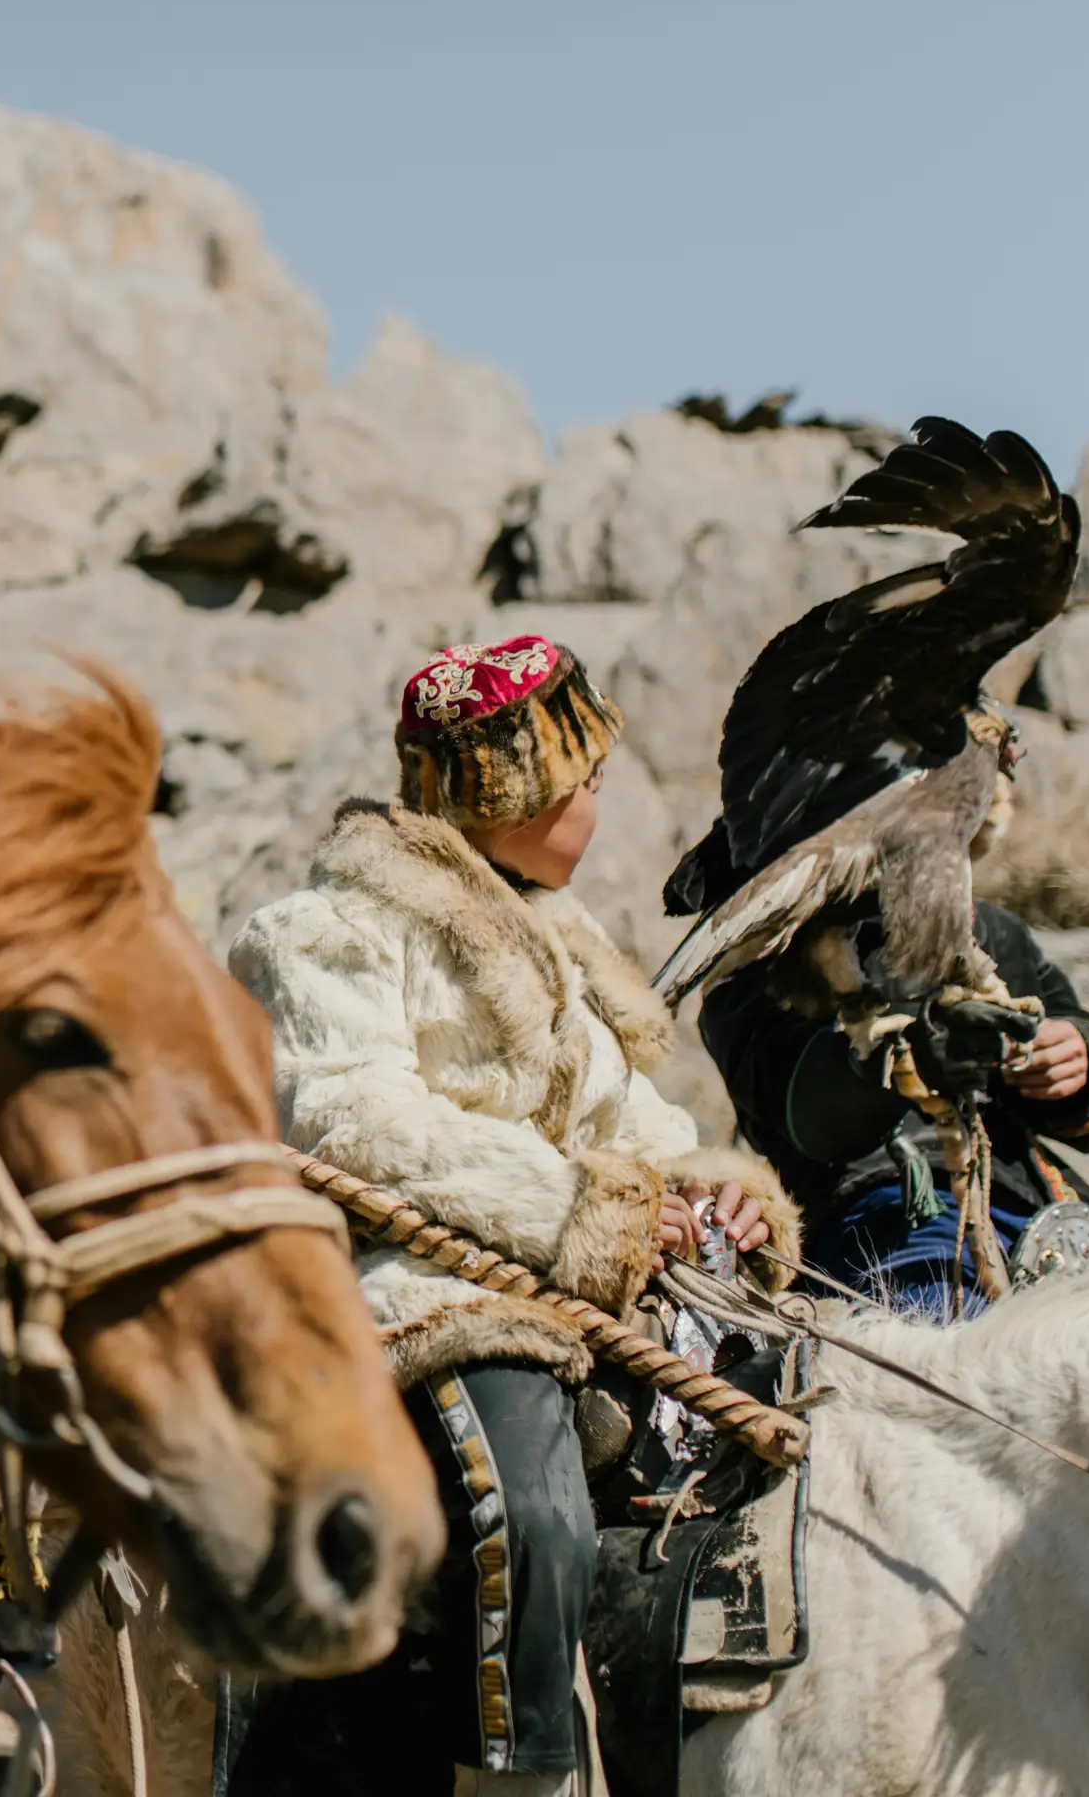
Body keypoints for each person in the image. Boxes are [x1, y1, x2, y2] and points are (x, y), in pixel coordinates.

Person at [222, 635, 801, 1797]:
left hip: (580, 1290)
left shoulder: (560, 939)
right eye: (582, 778)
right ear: (513, 790)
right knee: (532, 1508)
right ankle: (516, 1776)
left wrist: (712, 1184)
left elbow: (630, 1122)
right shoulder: (322, 930)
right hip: (413, 1290)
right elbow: (355, 1122)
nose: (598, 797)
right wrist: (587, 1210)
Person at [698, 871, 1089, 1316]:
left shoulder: (983, 928)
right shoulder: (753, 966)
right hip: (883, 1222)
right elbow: (811, 1114)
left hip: (1044, 1211)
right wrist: (910, 1060)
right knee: (945, 1366)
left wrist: (1081, 1054)